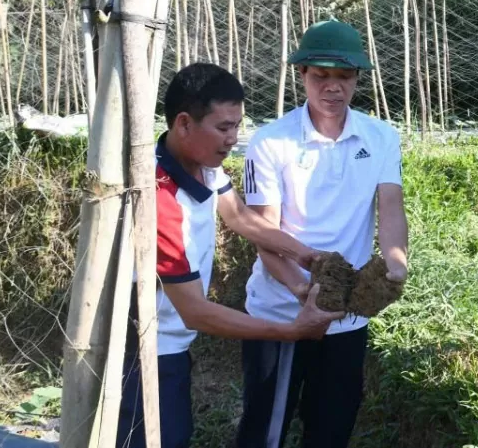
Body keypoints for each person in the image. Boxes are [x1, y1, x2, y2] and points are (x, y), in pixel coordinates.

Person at [117, 63, 341, 448]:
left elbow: (239, 217)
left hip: (172, 345)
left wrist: (305, 255)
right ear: (184, 124)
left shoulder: (204, 169)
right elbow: (196, 312)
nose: (233, 139)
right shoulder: (161, 202)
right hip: (145, 354)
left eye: (238, 126)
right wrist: (291, 331)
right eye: (223, 127)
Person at [237, 21, 408, 448]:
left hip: (346, 315)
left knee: (333, 425)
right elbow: (263, 233)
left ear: (357, 78)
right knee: (265, 428)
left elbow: (390, 207)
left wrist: (395, 262)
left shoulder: (380, 137)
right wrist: (301, 290)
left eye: (344, 77)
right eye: (321, 77)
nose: (333, 88)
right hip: (280, 313)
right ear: (302, 76)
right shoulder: (271, 142)